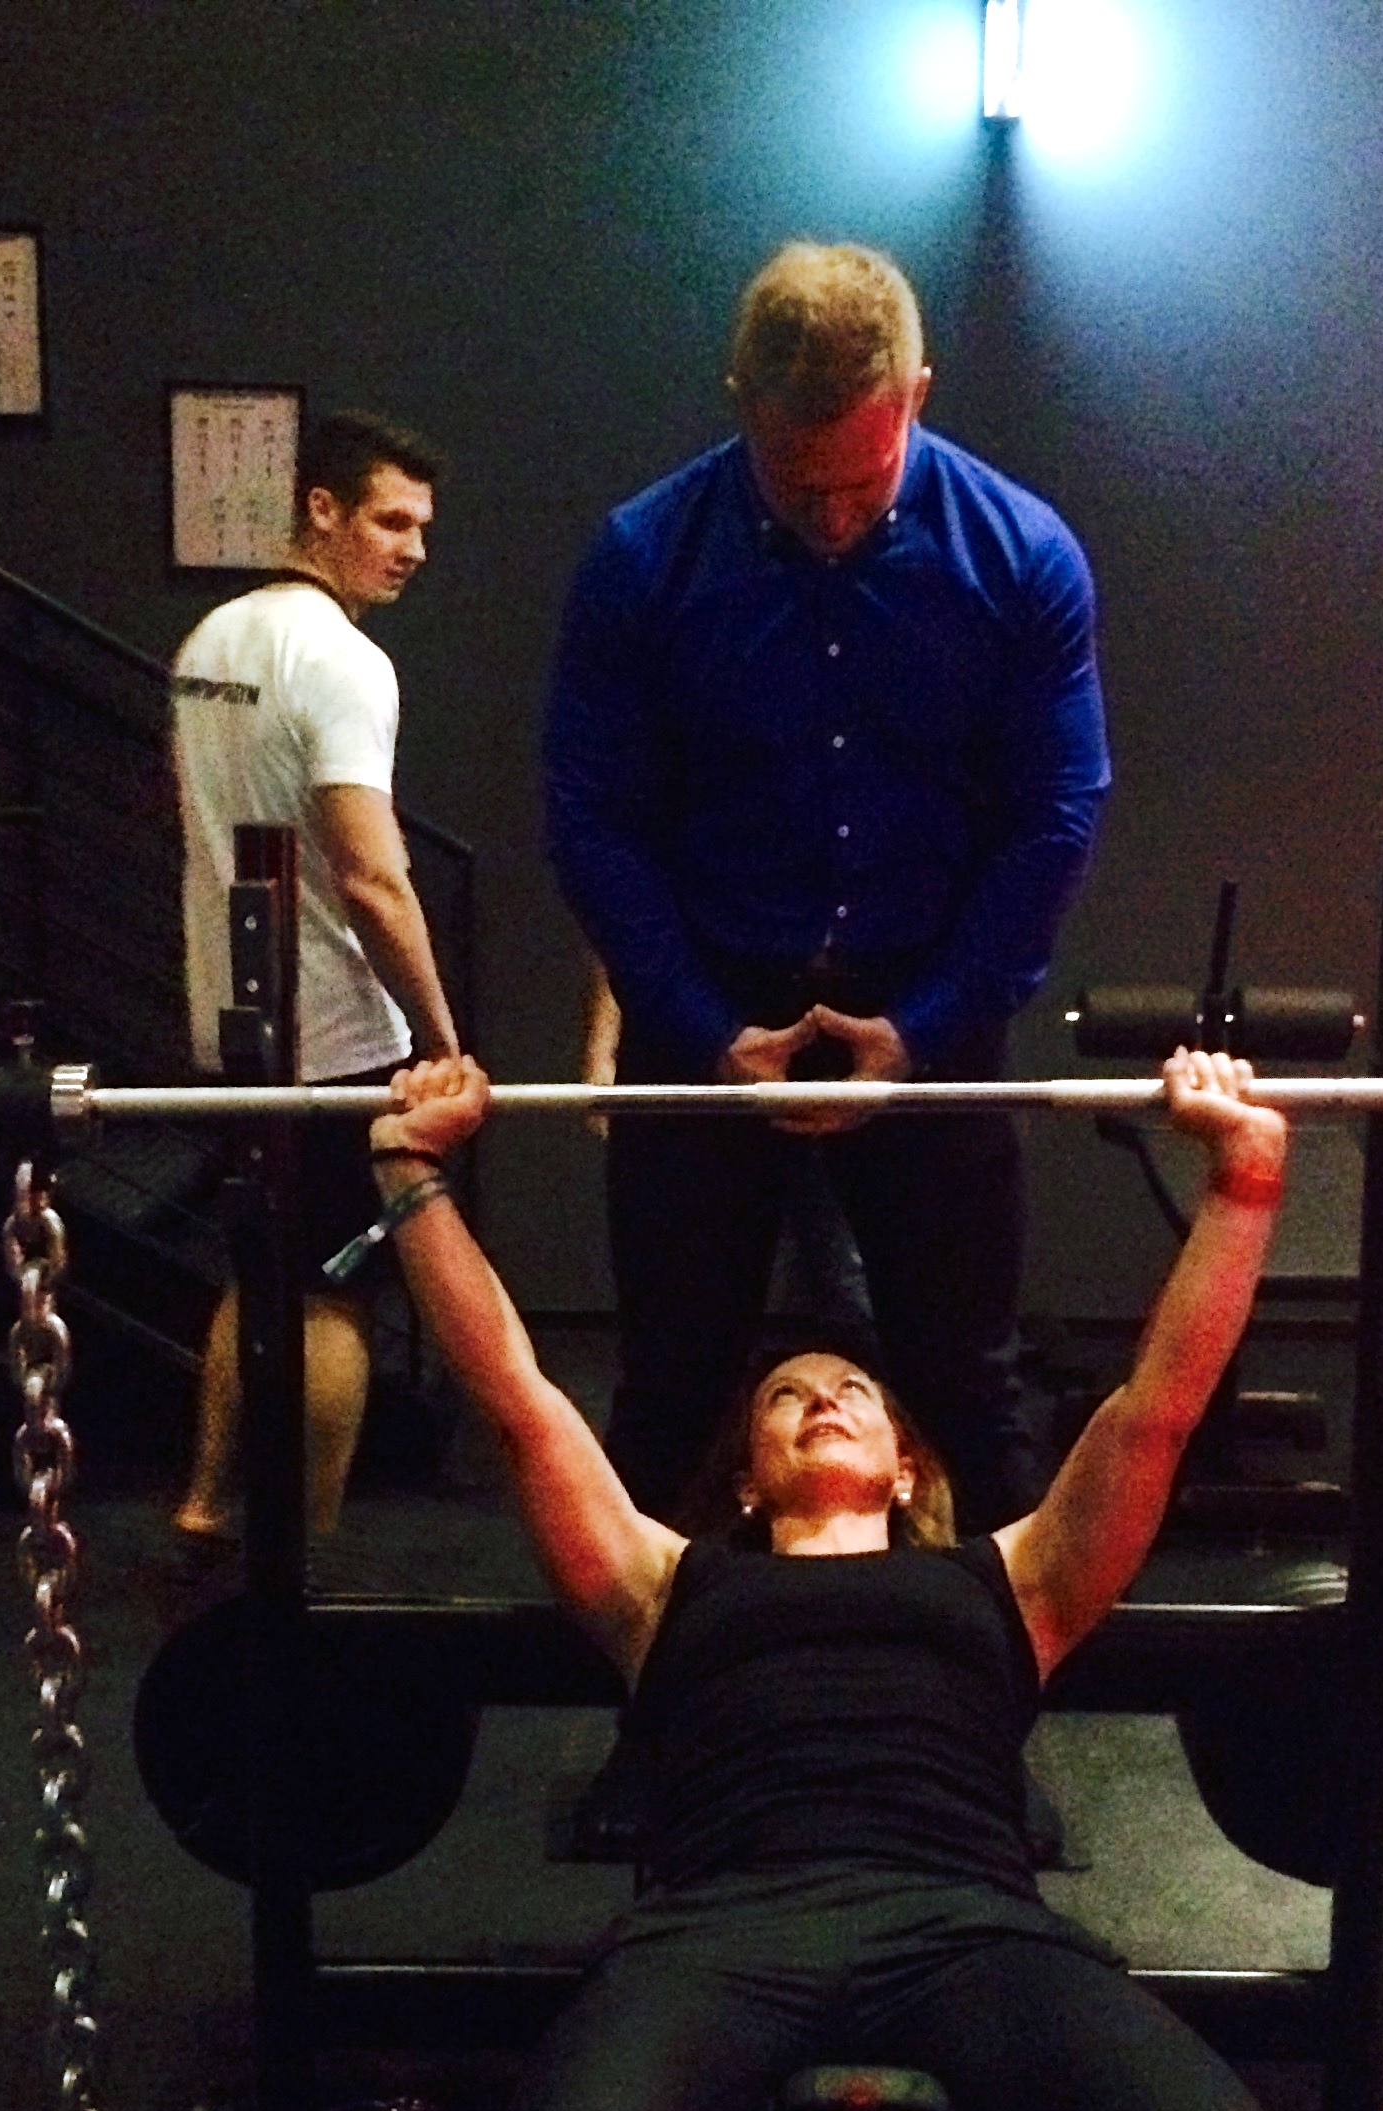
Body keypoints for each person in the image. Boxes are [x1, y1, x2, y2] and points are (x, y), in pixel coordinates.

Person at [365, 1052, 1383, 2111]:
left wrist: (1246, 1183)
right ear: (747, 1478)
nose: (821, 1399)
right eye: (785, 1396)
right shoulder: (665, 1583)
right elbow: (516, 1396)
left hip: (970, 1932)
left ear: (909, 1462)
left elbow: (1156, 1409)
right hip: (717, 1938)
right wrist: (412, 1175)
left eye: (853, 1389)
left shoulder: (1017, 1577)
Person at [545, 238, 1110, 1530]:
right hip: (710, 1013)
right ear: (740, 404)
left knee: (969, 1388)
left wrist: (927, 1027)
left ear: (918, 394)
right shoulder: (643, 558)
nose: (835, 516)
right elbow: (592, 819)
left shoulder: (1021, 555)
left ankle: (991, 1666)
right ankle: (663, 1663)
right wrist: (699, 1028)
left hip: (931, 1013)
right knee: (672, 1389)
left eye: (863, 480)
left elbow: (1055, 815)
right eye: (800, 486)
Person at [171, 410, 457, 1562]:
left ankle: (204, 1506)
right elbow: (374, 877)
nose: (414, 549)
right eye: (391, 521)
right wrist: (440, 1037)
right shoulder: (343, 660)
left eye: (424, 528)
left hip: (233, 1024)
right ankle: (314, 1551)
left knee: (260, 1268)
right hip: (336, 1037)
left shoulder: (208, 642)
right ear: (321, 511)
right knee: (337, 1291)